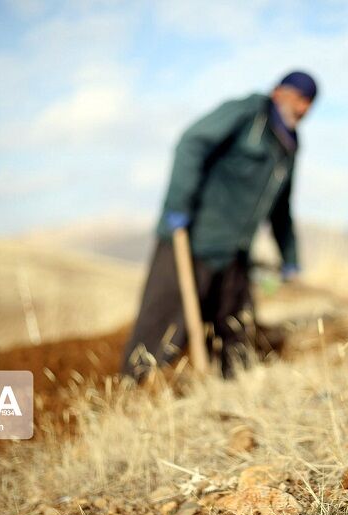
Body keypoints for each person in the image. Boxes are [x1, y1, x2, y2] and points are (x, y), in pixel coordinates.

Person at [121, 71, 318, 380]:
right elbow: (191, 143)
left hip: (235, 252)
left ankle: (230, 386)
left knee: (235, 335)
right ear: (279, 92)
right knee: (161, 326)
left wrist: (290, 259)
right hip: (191, 239)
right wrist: (178, 206)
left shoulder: (289, 146)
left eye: (309, 103)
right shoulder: (247, 113)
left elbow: (281, 210)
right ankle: (136, 386)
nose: (303, 108)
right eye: (299, 98)